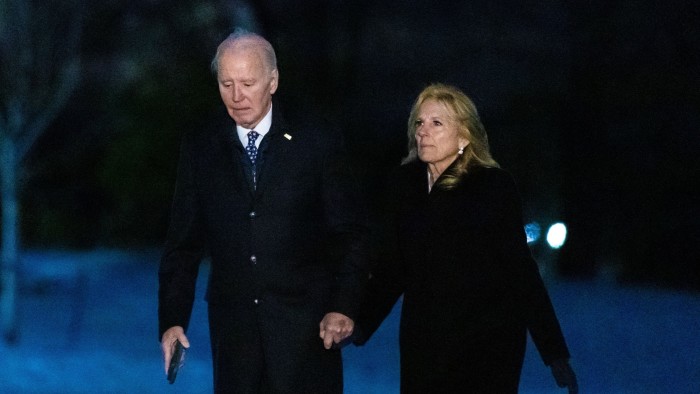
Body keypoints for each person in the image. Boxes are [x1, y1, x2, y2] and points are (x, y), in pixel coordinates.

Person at [158, 29, 369, 393]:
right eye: (226, 84)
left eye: (247, 83)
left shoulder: (315, 140)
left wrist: (344, 306)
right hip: (235, 341)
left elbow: (351, 234)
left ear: (272, 81)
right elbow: (183, 244)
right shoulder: (201, 146)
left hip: (306, 337)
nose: (237, 97)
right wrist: (173, 321)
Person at [354, 83, 578, 393]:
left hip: (485, 347)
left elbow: (519, 270)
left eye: (436, 123)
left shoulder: (492, 187)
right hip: (424, 343)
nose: (423, 131)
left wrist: (553, 352)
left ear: (464, 136)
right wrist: (358, 323)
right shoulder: (405, 186)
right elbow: (393, 268)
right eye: (419, 122)